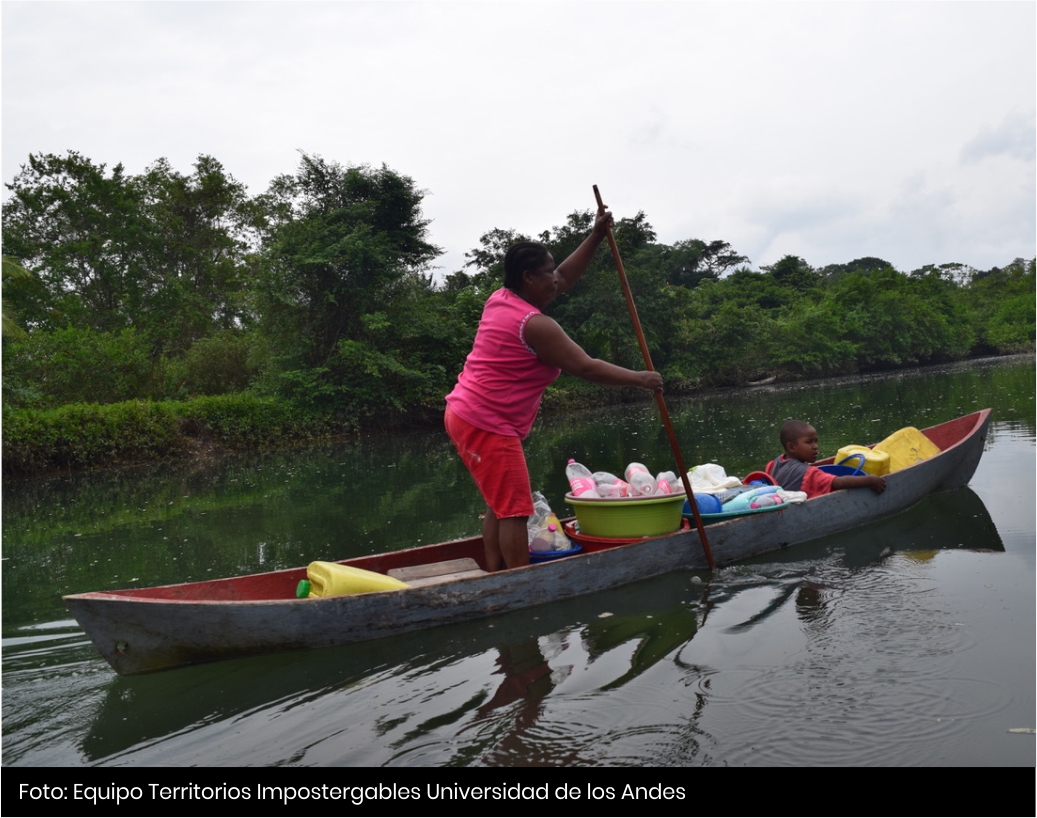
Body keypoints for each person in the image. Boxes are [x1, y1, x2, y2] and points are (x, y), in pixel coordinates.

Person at [445, 204, 662, 571]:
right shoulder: (534, 324)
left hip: (465, 413)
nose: (555, 280)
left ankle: (495, 572)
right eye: (547, 274)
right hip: (487, 422)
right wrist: (642, 379)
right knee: (515, 509)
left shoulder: (502, 298)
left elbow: (565, 275)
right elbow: (585, 368)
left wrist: (595, 235)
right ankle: (519, 581)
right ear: (529, 278)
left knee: (499, 503)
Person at [766, 420, 886, 498]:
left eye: (816, 441)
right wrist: (870, 479)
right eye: (809, 442)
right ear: (791, 447)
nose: (815, 446)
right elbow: (839, 482)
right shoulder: (809, 473)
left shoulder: (773, 464)